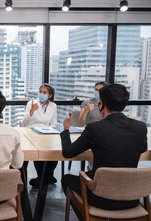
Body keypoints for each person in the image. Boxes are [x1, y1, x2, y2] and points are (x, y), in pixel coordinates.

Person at [61, 83, 147, 221]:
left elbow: (67, 152)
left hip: (101, 199)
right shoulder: (141, 127)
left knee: (66, 179)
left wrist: (66, 130)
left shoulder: (95, 128)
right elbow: (142, 148)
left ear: (101, 104)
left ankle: (89, 217)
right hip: (132, 197)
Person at [20, 84, 58, 187]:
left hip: (47, 134)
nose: (41, 94)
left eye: (44, 92)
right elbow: (24, 123)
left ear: (50, 96)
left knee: (53, 155)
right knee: (39, 154)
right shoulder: (31, 103)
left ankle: (43, 178)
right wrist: (32, 111)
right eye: (40, 91)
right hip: (32, 133)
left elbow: (54, 123)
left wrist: (49, 130)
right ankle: (44, 178)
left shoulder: (53, 106)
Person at [79, 81, 107, 170]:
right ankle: (92, 170)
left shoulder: (108, 104)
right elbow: (81, 121)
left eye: (100, 90)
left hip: (104, 133)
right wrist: (86, 110)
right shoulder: (87, 103)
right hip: (90, 134)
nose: (97, 91)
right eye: (96, 89)